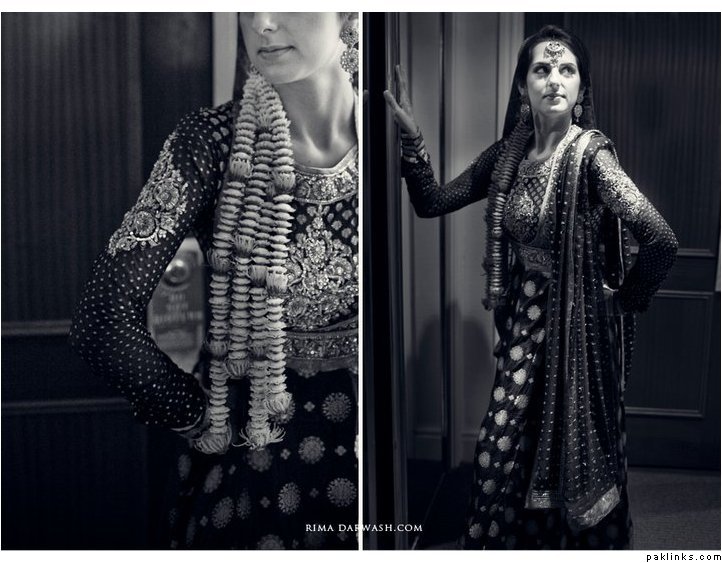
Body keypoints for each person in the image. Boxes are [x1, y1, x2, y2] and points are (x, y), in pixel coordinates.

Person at [70, 12, 359, 550]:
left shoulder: (388, 134)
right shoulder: (209, 143)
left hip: (376, 451)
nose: (262, 22)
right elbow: (102, 322)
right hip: (255, 459)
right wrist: (197, 415)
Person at [384, 25, 678, 549]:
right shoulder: (509, 156)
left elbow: (660, 238)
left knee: (563, 449)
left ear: (582, 88)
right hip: (524, 326)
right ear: (522, 86)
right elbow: (432, 201)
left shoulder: (591, 158)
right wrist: (412, 138)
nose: (554, 80)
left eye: (567, 70)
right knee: (502, 452)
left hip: (578, 334)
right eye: (542, 69)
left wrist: (624, 302)